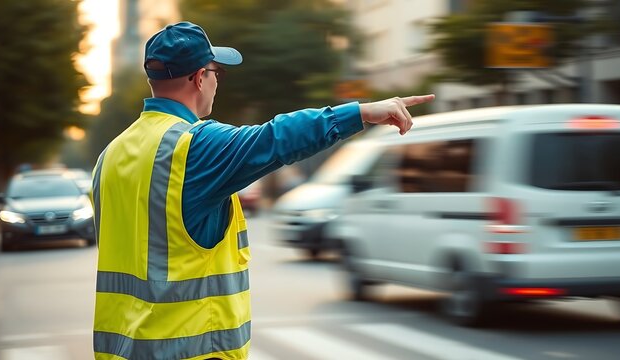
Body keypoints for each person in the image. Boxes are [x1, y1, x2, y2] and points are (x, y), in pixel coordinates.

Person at [91, 21, 434, 360]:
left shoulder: (110, 157)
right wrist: (362, 112)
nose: (215, 83)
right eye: (216, 73)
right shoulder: (191, 147)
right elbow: (275, 138)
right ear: (199, 78)